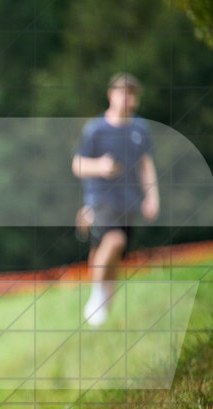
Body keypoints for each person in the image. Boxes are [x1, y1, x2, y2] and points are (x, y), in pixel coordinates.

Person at [72, 72, 160, 326]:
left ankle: (102, 312)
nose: (127, 99)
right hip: (100, 198)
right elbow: (77, 164)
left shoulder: (140, 129)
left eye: (131, 94)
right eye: (123, 93)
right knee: (114, 240)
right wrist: (100, 166)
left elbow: (146, 165)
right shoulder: (95, 129)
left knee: (112, 254)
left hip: (128, 202)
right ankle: (98, 295)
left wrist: (152, 196)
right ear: (111, 95)